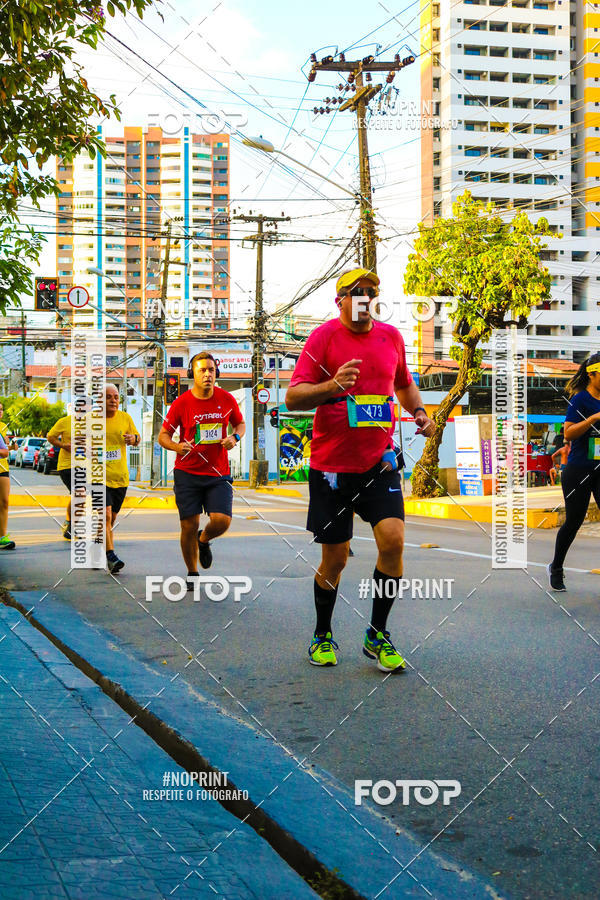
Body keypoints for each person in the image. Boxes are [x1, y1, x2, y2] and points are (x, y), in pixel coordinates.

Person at [286, 268, 435, 672]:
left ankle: (378, 633)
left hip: (378, 463)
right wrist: (333, 386)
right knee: (335, 559)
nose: (365, 296)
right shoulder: (323, 338)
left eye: (371, 291)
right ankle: (322, 634)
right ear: (340, 300)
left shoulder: (391, 338)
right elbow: (294, 397)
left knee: (393, 541)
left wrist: (418, 410)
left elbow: (402, 384)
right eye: (356, 291)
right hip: (331, 468)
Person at [158, 351, 245, 587]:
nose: (208, 374)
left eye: (211, 370)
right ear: (192, 374)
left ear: (217, 372)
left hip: (218, 473)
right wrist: (177, 446)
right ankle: (192, 572)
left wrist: (235, 437)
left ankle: (204, 540)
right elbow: (163, 435)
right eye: (202, 370)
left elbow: (240, 423)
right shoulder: (181, 403)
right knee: (189, 524)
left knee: (222, 521)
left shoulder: (226, 399)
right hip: (187, 473)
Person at [548, 352, 600, 591]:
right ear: (592, 375)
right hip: (578, 470)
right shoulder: (580, 400)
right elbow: (568, 433)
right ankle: (556, 567)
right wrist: (595, 418)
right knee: (574, 521)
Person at [100, 384, 140, 574]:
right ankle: (111, 556)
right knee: (106, 515)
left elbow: (137, 437)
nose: (113, 400)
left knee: (111, 518)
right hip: (97, 476)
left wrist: (134, 439)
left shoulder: (125, 418)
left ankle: (100, 544)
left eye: (116, 397)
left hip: (120, 477)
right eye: (108, 397)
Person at [47, 412, 76, 540]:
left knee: (78, 495)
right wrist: (63, 445)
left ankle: (69, 522)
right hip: (67, 466)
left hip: (86, 465)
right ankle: (72, 526)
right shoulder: (64, 421)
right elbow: (51, 437)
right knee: (79, 493)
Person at [0, 401, 15, 550]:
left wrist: (11, 446)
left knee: (4, 502)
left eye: (1, 409)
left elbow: (4, 449)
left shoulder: (3, 426)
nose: (0, 412)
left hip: (2, 468)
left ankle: (2, 536)